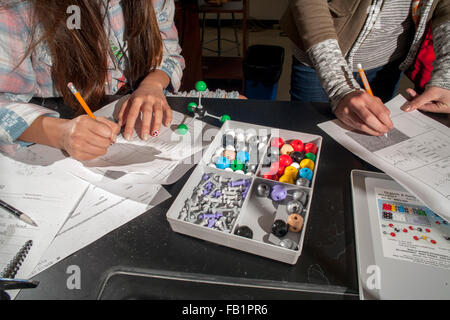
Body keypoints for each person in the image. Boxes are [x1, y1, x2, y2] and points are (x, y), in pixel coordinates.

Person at [0, 0, 185, 160]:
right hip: (50, 152)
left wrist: (152, 84)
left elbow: (169, 52)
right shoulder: (17, 8)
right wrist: (61, 133)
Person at [281, 0, 450, 136]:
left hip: (387, 60)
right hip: (320, 58)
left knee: (370, 134)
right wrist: (340, 87)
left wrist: (446, 79)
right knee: (308, 138)